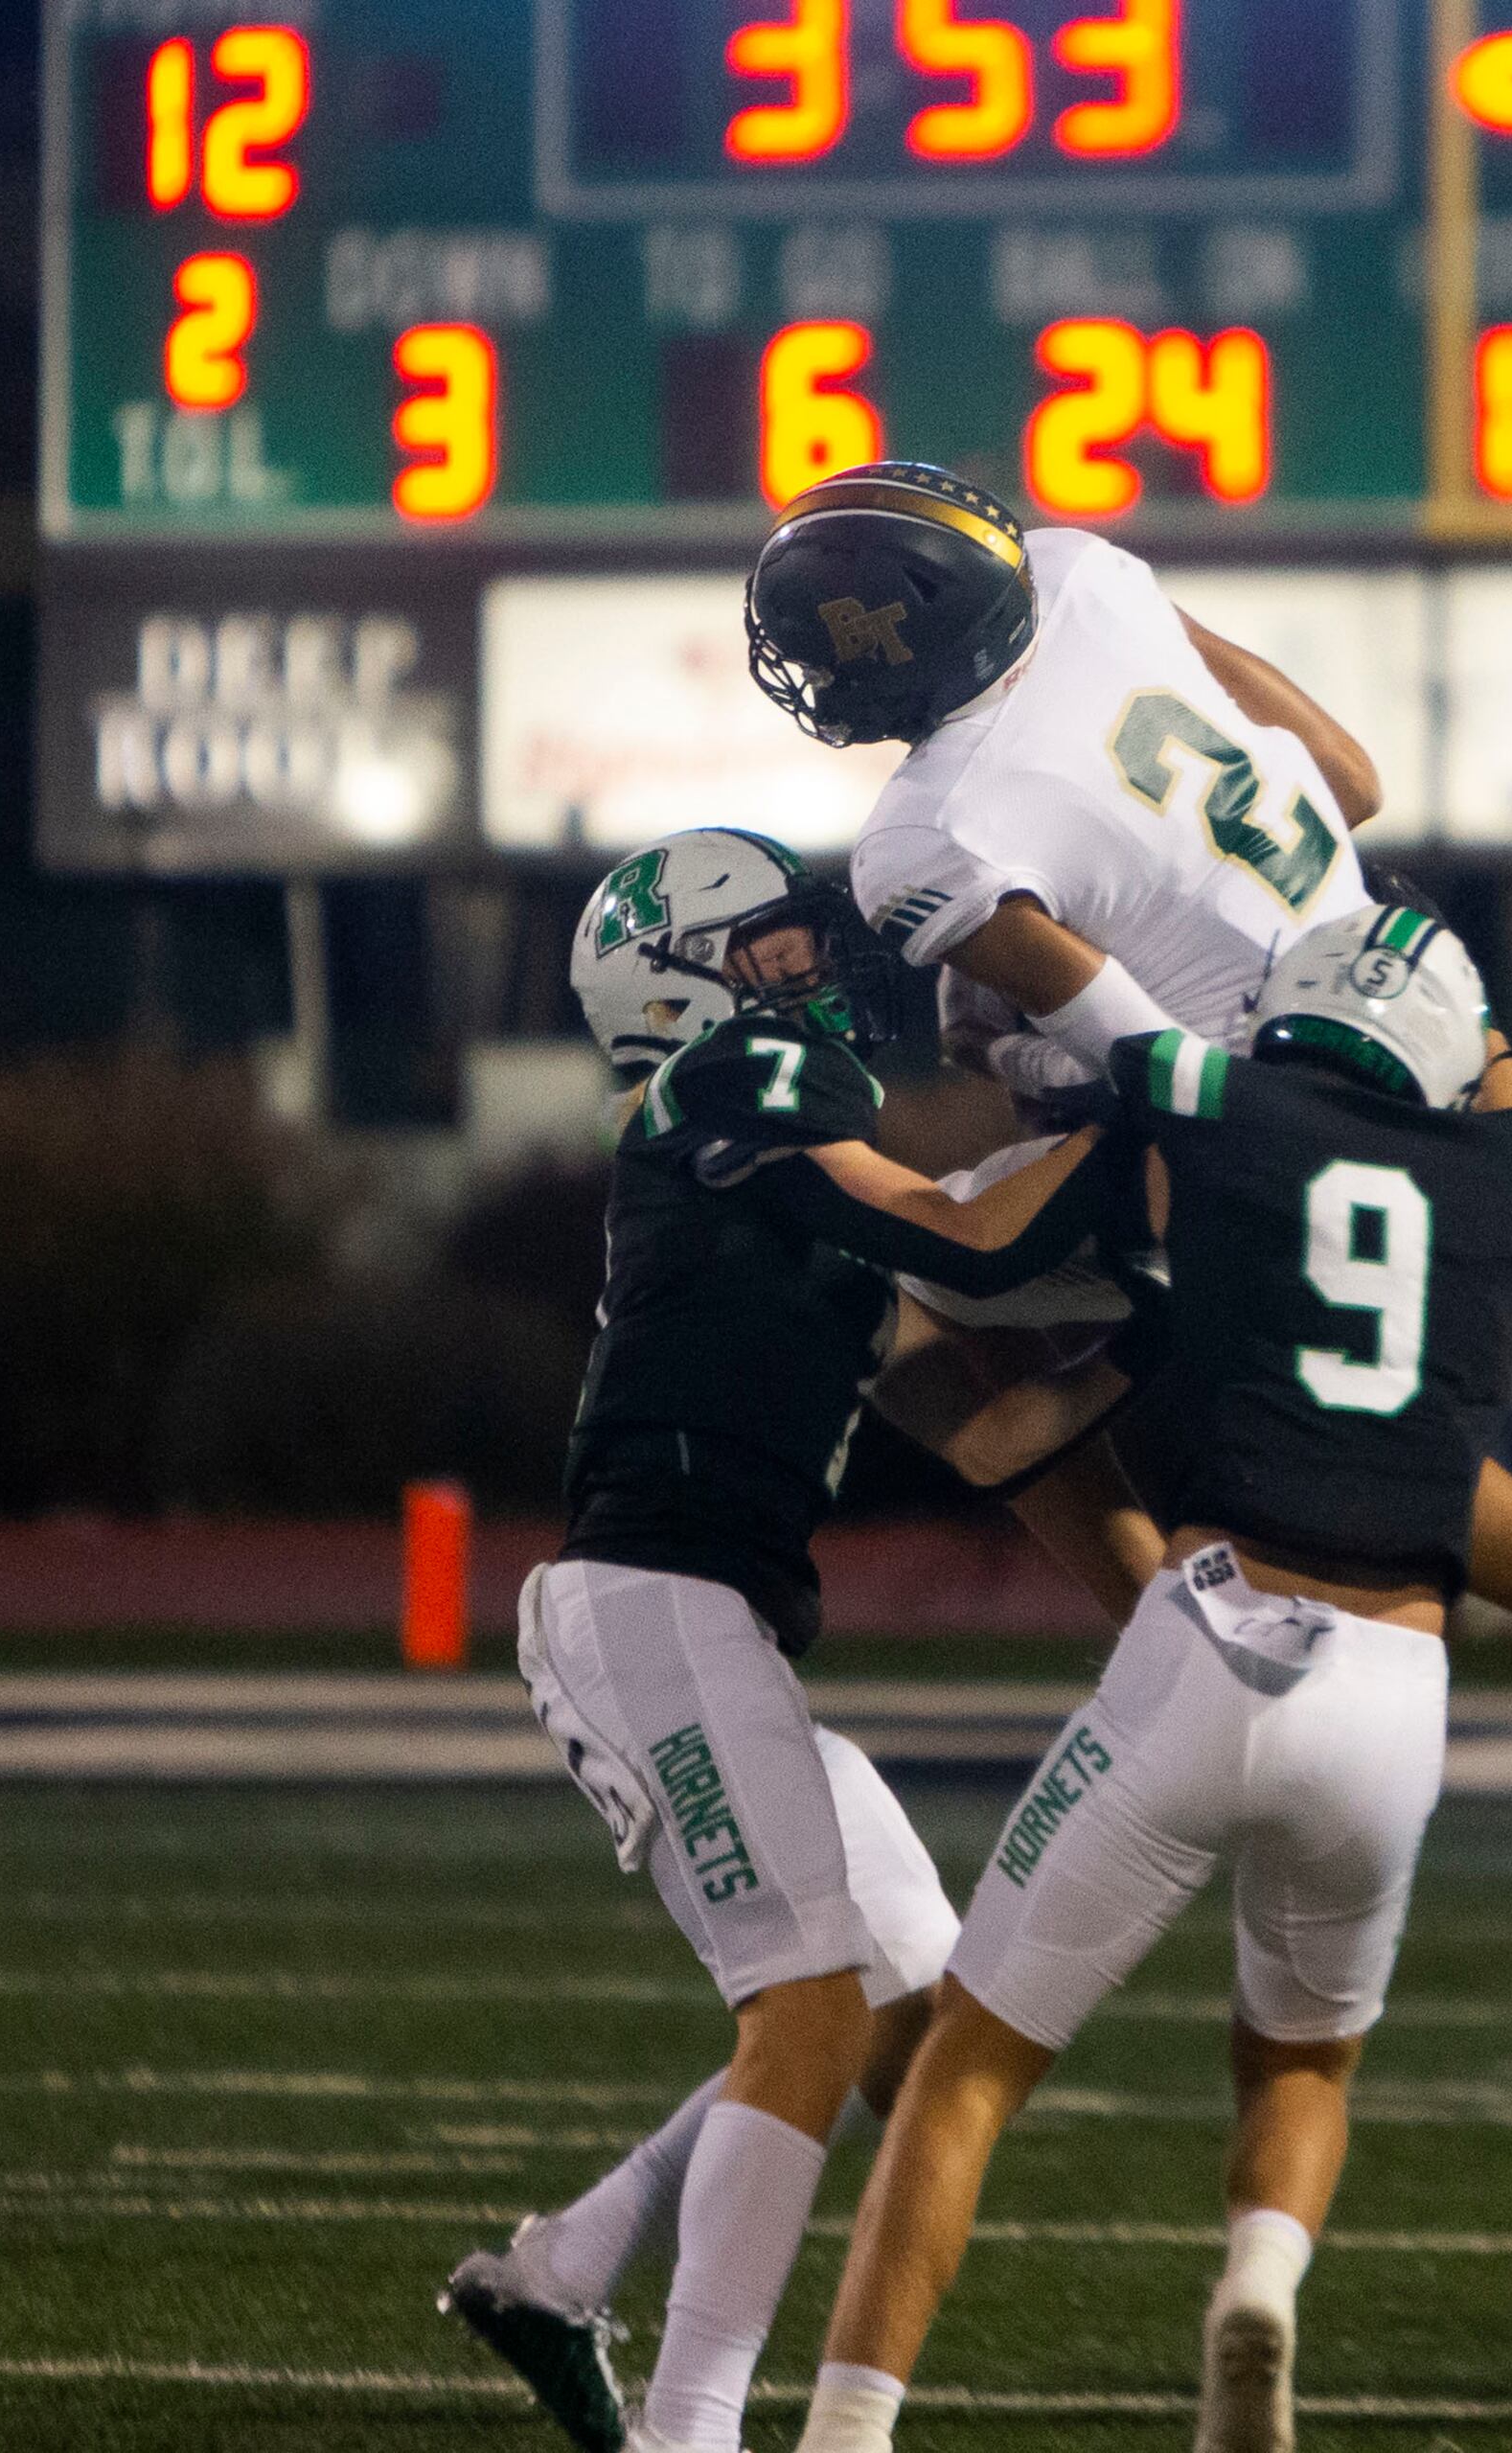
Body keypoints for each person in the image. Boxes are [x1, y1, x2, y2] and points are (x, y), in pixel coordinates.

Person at [784, 906, 1512, 2453]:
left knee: (967, 2071)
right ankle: (1259, 2294)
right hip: (1397, 1690)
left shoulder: (1217, 1106)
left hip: (1208, 1635)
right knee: (1302, 2062)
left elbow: (1088, 1004)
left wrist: (977, 928)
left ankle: (847, 2435)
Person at [742, 461, 1512, 1880]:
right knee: (1357, 1408)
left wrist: (1011, 1059)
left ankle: (1171, 1666)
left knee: (919, 1317)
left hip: (1277, 1101)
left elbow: (1152, 1067)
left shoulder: (928, 835)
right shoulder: (1083, 571)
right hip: (1430, 1017)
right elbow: (1348, 781)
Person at [441, 832, 1144, 2453]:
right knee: (813, 2016)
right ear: (678, 981)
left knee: (904, 2019)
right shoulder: (731, 1084)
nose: (806, 971)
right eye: (764, 948)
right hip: (656, 1595)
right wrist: (1153, 1125)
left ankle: (566, 2267)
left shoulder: (773, 1177)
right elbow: (967, 1235)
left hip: (710, 1616)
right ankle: (693, 2434)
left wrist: (1146, 1343)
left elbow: (970, 1412)